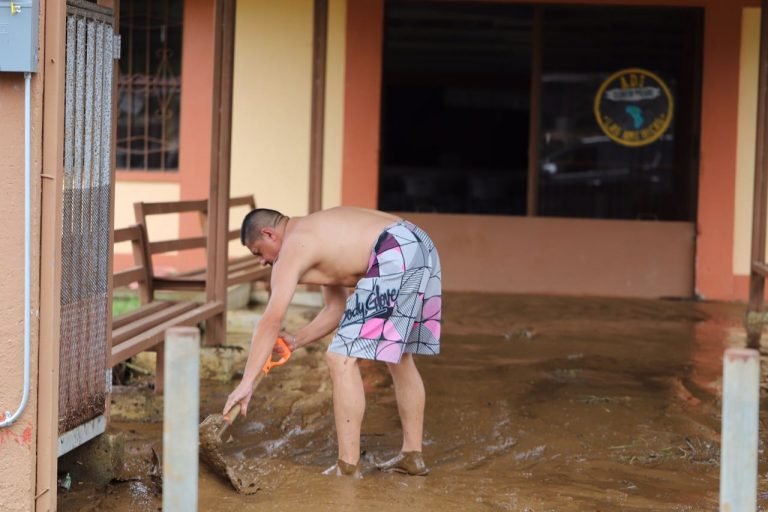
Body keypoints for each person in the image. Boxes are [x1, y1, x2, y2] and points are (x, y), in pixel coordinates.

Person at [223, 206, 442, 477]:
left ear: (269, 234)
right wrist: (295, 341)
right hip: (419, 244)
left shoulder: (292, 247)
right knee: (396, 354)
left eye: (258, 252)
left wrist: (246, 383)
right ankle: (412, 456)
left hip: (392, 249)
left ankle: (347, 467)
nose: (262, 262)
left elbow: (270, 321)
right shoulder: (319, 234)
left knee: (340, 358)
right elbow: (335, 310)